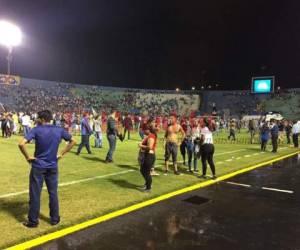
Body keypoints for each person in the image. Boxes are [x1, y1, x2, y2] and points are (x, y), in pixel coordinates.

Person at [18, 110, 76, 228]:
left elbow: (21, 143)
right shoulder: (58, 129)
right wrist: (61, 154)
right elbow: (73, 141)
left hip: (38, 166)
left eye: (38, 118)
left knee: (35, 194)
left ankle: (33, 221)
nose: (37, 119)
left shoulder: (36, 129)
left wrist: (28, 157)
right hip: (52, 166)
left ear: (42, 119)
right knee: (53, 193)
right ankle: (55, 219)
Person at [138, 122, 157, 192]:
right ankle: (147, 184)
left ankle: (149, 188)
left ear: (148, 130)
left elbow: (150, 147)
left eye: (144, 130)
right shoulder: (149, 136)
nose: (143, 131)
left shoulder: (151, 136)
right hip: (147, 155)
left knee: (145, 172)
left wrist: (141, 146)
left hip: (149, 156)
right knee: (143, 170)